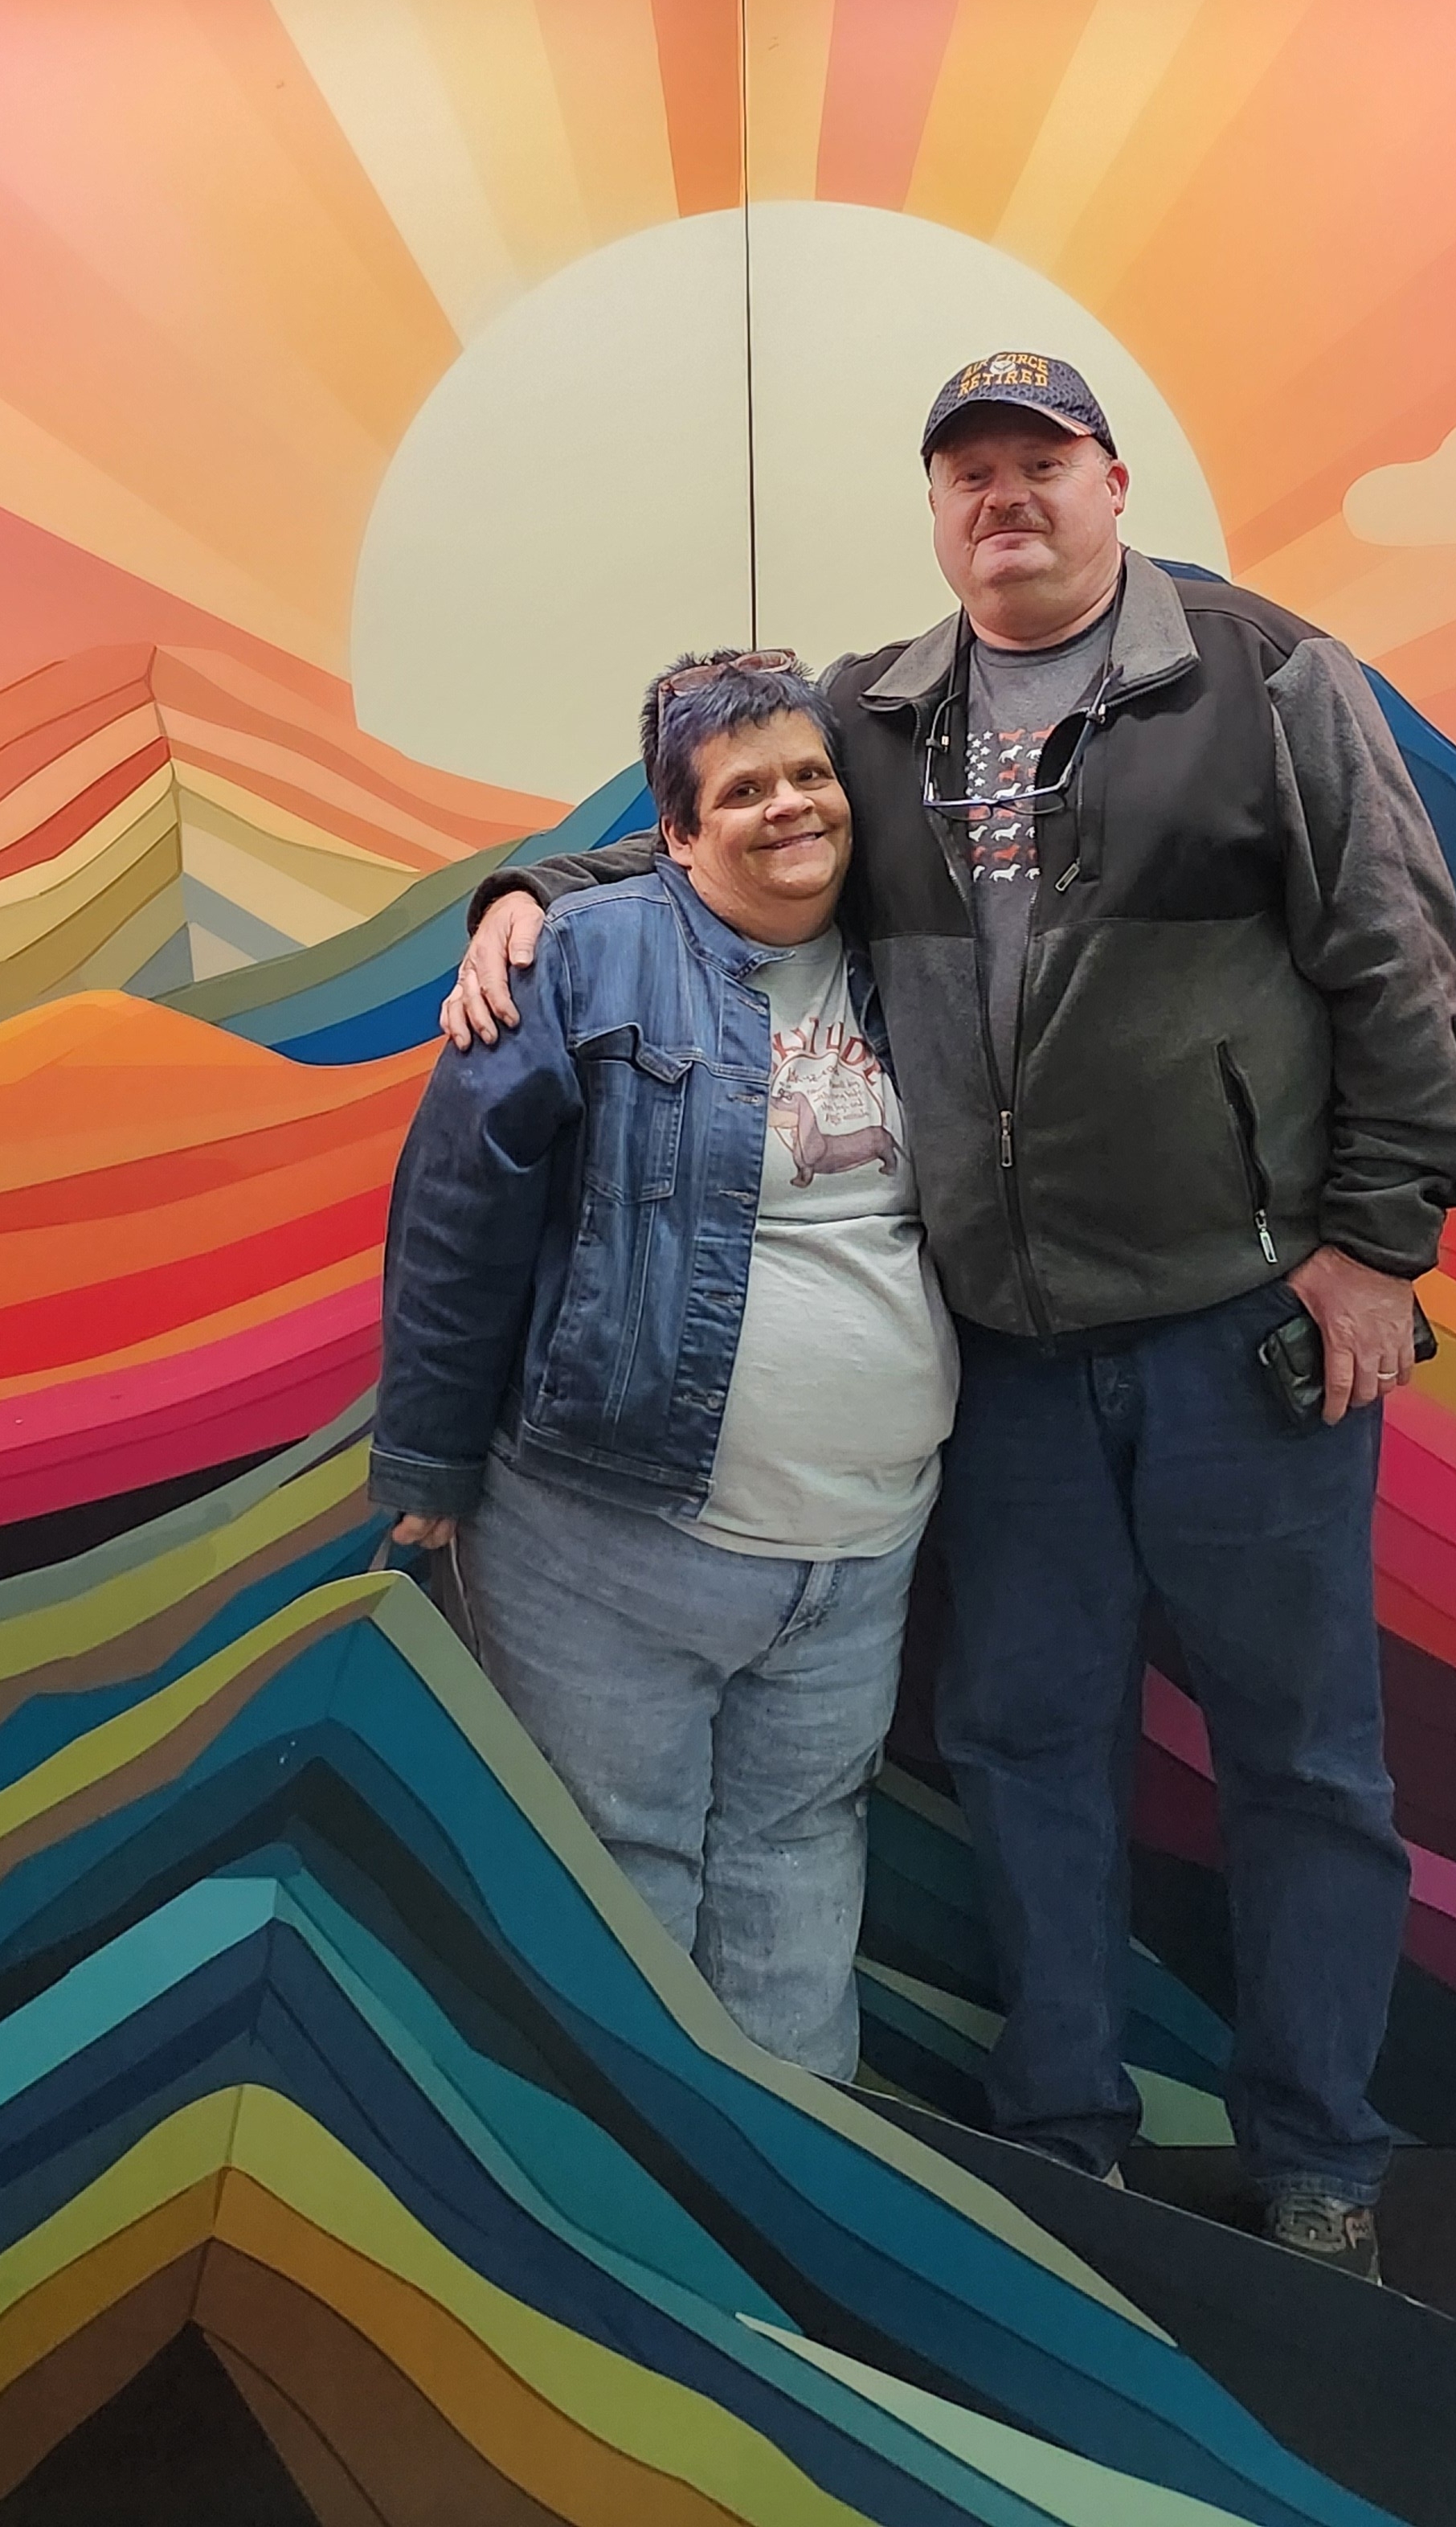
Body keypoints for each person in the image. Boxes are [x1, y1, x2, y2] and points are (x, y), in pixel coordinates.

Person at [444, 350, 1456, 2279]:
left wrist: (1380, 1246)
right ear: (936, 511)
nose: (1004, 496)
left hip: (1245, 1337)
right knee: (1023, 1746)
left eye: (1039, 462)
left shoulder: (1266, 679)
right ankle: (1067, 2142)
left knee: (1304, 1761)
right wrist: (531, 889)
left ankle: (1321, 2161)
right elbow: (718, 826)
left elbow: (1400, 961)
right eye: (968, 473)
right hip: (1000, 1355)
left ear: (1113, 481)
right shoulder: (874, 713)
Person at [371, 652, 956, 2083]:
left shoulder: (919, 946)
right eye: (743, 791)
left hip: (862, 1550)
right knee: (617, 1879)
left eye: (810, 775)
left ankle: (787, 2180)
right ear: (677, 835)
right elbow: (457, 1213)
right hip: (612, 1538)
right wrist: (427, 1457)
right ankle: (624, 2192)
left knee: (799, 1860)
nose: (790, 806)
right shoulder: (582, 957)